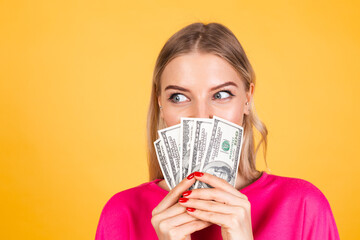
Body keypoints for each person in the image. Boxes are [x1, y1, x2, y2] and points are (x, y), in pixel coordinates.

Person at [95, 22, 340, 240]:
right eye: (179, 97)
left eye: (221, 95)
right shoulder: (122, 213)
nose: (201, 116)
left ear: (247, 98)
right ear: (160, 103)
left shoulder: (303, 207)